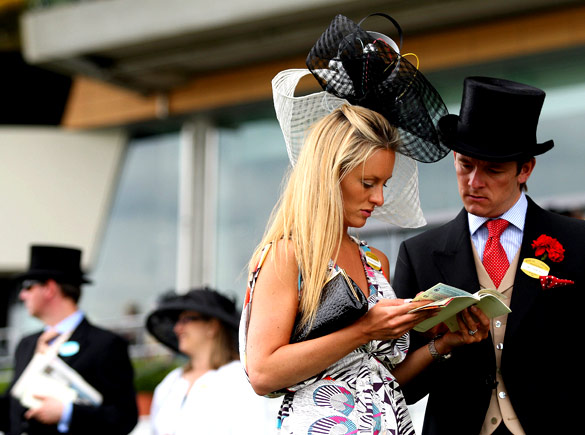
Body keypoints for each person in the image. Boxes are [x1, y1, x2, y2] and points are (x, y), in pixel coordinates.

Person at [239, 14, 490, 434]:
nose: (379, 198)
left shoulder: (374, 262)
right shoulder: (289, 254)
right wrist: (365, 329)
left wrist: (443, 345)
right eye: (368, 182)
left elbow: (382, 377)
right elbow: (263, 372)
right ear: (330, 174)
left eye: (385, 184)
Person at [393, 76, 585, 434]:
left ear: (525, 168)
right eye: (465, 164)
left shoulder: (579, 242)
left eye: (493, 170)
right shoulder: (418, 254)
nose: (473, 181)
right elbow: (402, 386)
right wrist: (440, 345)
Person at [1, 245, 138, 435]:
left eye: (28, 287)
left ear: (49, 288)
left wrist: (68, 412)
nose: (22, 295)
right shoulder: (27, 343)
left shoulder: (105, 344)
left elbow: (124, 418)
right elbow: (10, 408)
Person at [146, 287, 279, 435]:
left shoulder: (238, 380)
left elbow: (254, 429)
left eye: (187, 320)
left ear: (212, 326)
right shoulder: (170, 382)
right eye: (178, 321)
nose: (177, 328)